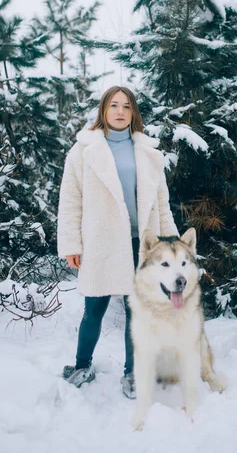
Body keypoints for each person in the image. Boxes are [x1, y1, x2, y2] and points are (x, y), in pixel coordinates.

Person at [57, 86, 178, 398]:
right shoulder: (83, 151)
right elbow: (71, 200)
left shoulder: (150, 153)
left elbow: (161, 202)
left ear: (133, 112)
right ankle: (82, 365)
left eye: (126, 106)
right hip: (101, 240)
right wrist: (72, 243)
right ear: (104, 110)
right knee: (93, 308)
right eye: (114, 105)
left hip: (143, 243)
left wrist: (171, 243)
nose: (120, 111)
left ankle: (133, 374)